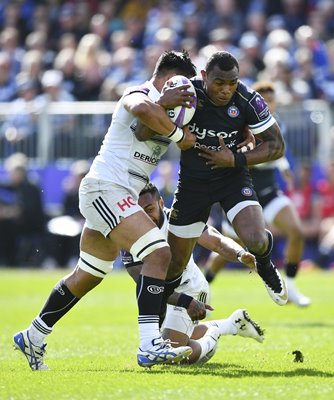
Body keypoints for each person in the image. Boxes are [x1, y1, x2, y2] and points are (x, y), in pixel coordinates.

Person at [13, 50, 202, 370]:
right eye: (184, 89)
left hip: (117, 193)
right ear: (172, 79)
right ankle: (149, 345)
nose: (188, 97)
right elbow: (141, 108)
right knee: (158, 253)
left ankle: (33, 335)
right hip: (106, 188)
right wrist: (179, 134)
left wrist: (174, 118)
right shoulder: (139, 92)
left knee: (89, 274)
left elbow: (146, 128)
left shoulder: (165, 109)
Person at [136, 51, 288, 307]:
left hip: (233, 179)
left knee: (257, 241)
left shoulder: (248, 99)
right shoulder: (186, 93)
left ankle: (265, 265)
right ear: (204, 76)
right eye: (219, 82)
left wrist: (235, 160)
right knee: (173, 268)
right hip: (193, 185)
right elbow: (142, 133)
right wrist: (162, 104)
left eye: (232, 82)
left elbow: (277, 146)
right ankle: (161, 330)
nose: (226, 89)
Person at [122, 182, 264, 364]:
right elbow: (144, 282)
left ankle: (214, 335)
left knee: (172, 357)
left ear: (161, 203)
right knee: (160, 348)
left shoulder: (178, 223)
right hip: (163, 296)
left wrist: (240, 254)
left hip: (190, 288)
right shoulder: (129, 231)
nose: (145, 217)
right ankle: (231, 324)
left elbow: (215, 239)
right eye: (139, 212)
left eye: (149, 209)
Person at [204, 82, 311, 307]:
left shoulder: (275, 123)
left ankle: (290, 285)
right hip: (243, 196)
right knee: (228, 252)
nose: (268, 105)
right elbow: (248, 158)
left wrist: (282, 166)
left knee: (296, 231)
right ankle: (204, 285)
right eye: (264, 100)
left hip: (269, 193)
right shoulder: (240, 124)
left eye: (271, 100)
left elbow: (274, 150)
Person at [0, 152, 46, 266]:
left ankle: (7, 260)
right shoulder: (10, 186)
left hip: (30, 226)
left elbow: (24, 211)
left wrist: (7, 212)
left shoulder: (30, 187)